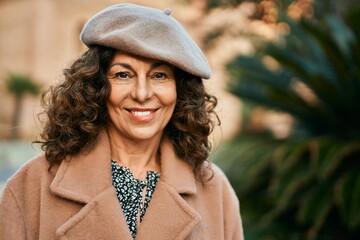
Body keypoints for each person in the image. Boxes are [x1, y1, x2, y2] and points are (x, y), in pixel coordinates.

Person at [0, 3, 243, 239]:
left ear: (180, 90)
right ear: (96, 86)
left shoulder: (215, 191)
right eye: (123, 74)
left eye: (159, 75)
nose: (142, 93)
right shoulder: (31, 186)